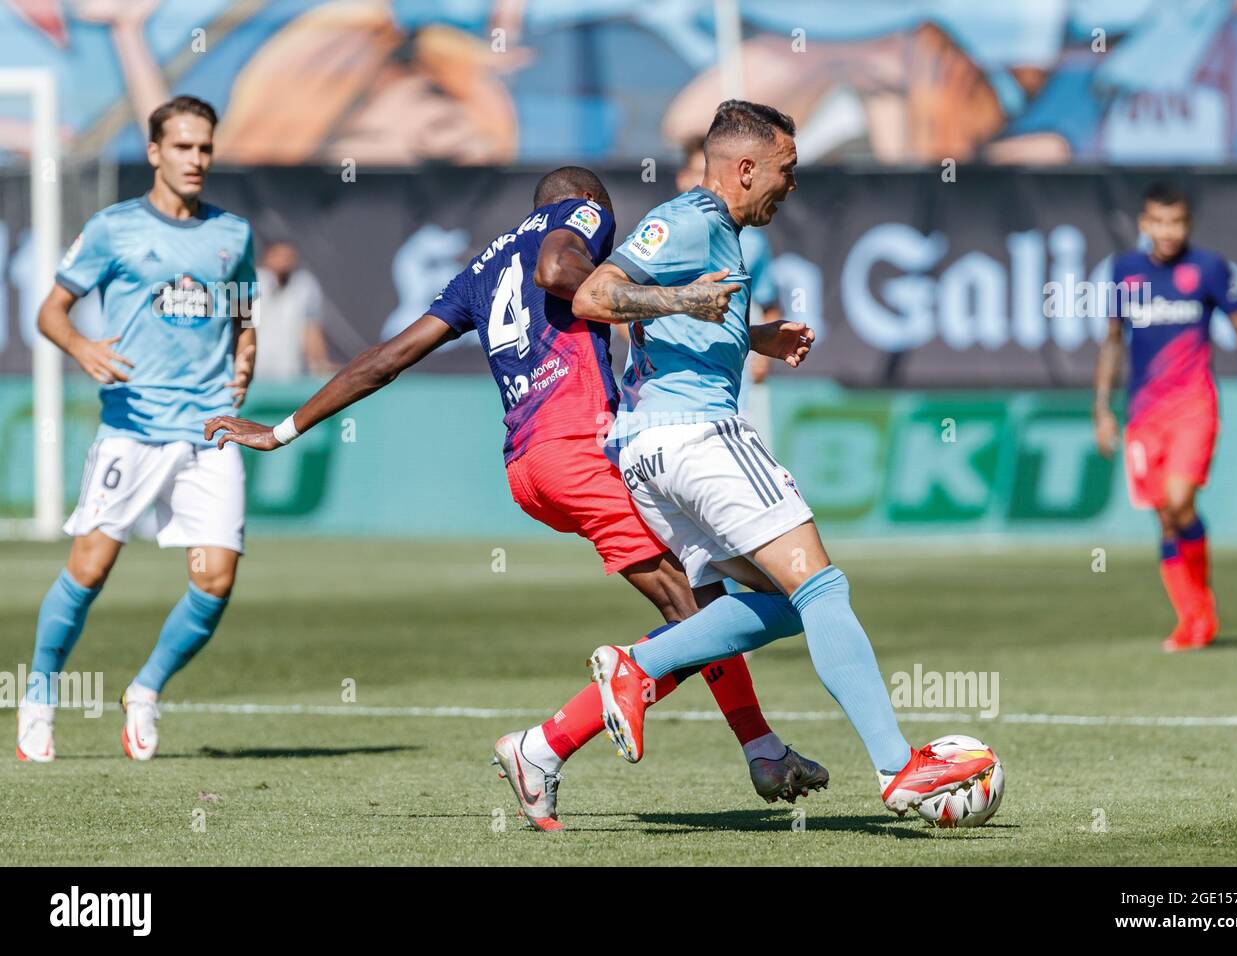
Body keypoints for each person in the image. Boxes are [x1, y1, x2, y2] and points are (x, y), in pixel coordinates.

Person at [204, 166, 827, 832]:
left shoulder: (479, 269)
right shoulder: (577, 221)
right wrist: (679, 297)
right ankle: (547, 746)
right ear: (592, 207)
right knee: (704, 605)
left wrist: (280, 429)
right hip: (581, 446)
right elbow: (562, 273)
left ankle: (756, 750)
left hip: (530, 466)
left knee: (702, 601)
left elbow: (385, 358)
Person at [571, 99, 995, 815]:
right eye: (785, 170)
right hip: (698, 438)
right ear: (744, 167)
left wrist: (755, 335)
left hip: (656, 451)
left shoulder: (719, 230)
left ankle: (638, 666)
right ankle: (898, 768)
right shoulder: (691, 218)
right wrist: (678, 301)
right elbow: (592, 295)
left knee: (778, 601)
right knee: (822, 589)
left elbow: (691, 320)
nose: (792, 185)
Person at [18, 95, 257, 763]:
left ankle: (145, 689)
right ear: (154, 152)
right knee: (90, 569)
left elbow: (245, 316)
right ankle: (39, 695)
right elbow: (52, 311)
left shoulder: (232, 234)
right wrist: (83, 349)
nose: (196, 160)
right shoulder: (112, 230)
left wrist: (245, 363)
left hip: (210, 432)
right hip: (133, 428)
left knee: (215, 582)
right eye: (183, 147)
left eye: (205, 148)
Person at [1094, 181, 1237, 651]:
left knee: (1180, 501)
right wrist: (1101, 408)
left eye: (1176, 222)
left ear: (1188, 224)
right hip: (1144, 413)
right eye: (1158, 222)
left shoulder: (1209, 270)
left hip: (1194, 405)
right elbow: (1113, 342)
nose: (1168, 231)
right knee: (1166, 517)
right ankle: (1192, 619)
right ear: (1144, 224)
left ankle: (1202, 611)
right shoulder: (1125, 272)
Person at [253, 240, 335, 381]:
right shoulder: (251, 281)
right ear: (267, 257)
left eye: (289, 256)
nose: (284, 261)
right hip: (254, 372)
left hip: (289, 372)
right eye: (278, 255)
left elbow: (311, 329)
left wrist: (320, 363)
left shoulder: (305, 285)